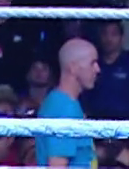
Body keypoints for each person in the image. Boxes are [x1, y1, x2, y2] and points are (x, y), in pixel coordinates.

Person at [36, 38, 100, 167]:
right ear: (73, 68)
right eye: (92, 63)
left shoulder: (65, 103)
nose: (98, 69)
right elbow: (57, 165)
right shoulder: (63, 108)